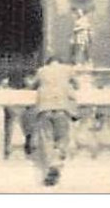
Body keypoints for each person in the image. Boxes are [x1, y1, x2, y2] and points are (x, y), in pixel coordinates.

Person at [28, 55, 79, 187]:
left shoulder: (42, 70)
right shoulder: (68, 69)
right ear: (60, 62)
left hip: (44, 109)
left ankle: (51, 165)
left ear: (48, 63)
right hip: (62, 108)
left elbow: (32, 85)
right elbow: (77, 84)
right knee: (63, 137)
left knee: (46, 139)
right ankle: (57, 161)